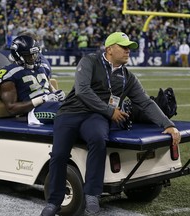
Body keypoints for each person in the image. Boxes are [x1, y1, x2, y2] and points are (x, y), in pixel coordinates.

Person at [40, 32, 181, 216]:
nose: (128, 51)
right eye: (124, 47)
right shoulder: (89, 61)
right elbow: (82, 91)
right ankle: (54, 201)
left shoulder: (127, 77)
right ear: (109, 49)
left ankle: (92, 194)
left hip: (96, 116)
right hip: (70, 112)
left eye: (129, 48)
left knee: (98, 140)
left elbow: (146, 102)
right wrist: (110, 111)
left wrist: (167, 124)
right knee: (59, 154)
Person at [0, 35, 65, 125]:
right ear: (18, 56)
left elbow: (49, 88)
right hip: (33, 113)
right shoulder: (10, 72)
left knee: (77, 106)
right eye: (29, 55)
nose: (33, 58)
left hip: (50, 105)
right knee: (66, 114)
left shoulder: (42, 67)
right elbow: (11, 108)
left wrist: (57, 93)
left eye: (35, 54)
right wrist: (42, 99)